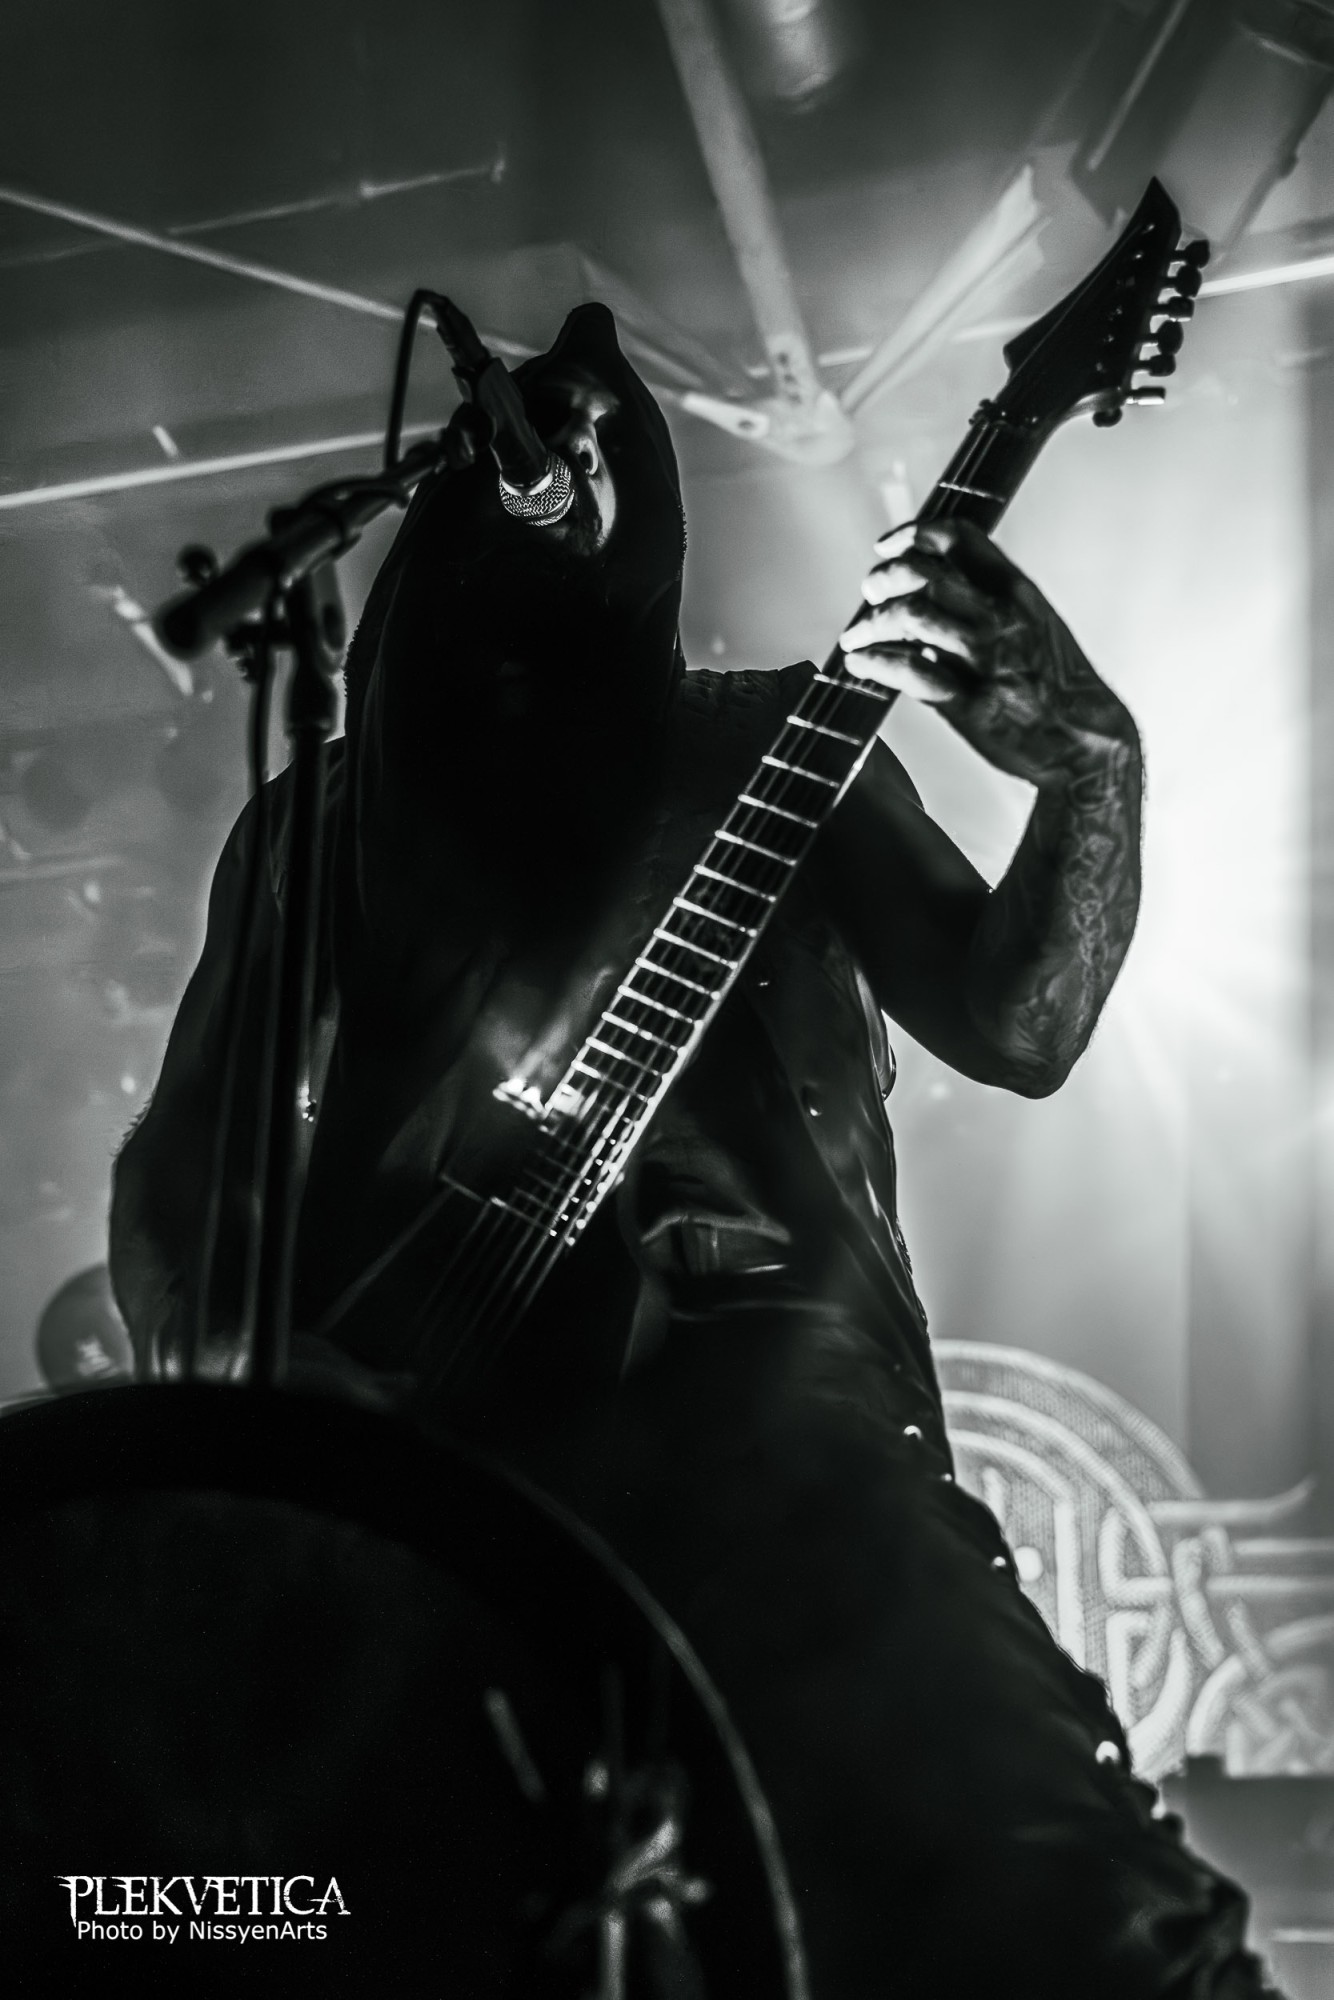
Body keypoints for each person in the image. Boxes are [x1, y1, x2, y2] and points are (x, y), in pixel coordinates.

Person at [109, 303, 1278, 1997]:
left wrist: (1093, 765)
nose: (554, 462)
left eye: (599, 438)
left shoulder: (766, 737)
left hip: (788, 1449)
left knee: (1080, 1928)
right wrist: (250, 1369)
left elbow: (1018, 1029)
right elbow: (180, 1168)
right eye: (524, 437)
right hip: (447, 1472)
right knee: (217, 1906)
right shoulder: (319, 815)